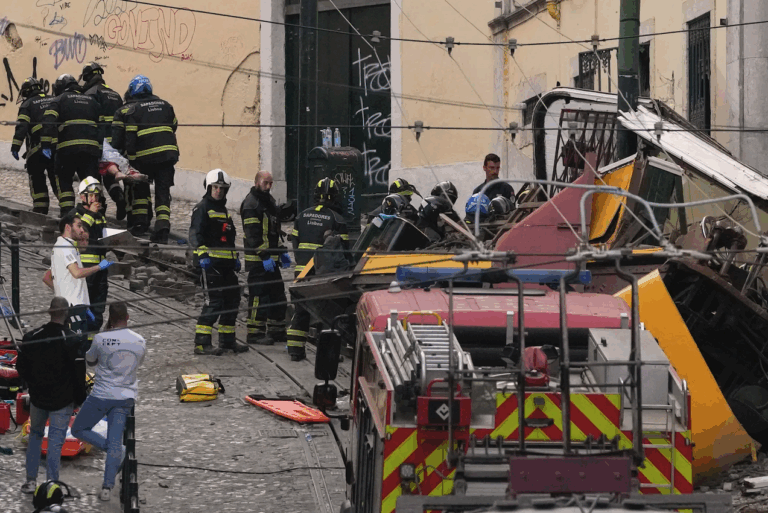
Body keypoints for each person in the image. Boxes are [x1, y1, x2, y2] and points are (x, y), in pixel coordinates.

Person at [71, 302, 145, 502]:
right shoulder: (139, 340)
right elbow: (138, 363)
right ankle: (107, 487)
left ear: (110, 318)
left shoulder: (101, 338)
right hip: (125, 397)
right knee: (115, 441)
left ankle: (114, 451)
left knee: (78, 429)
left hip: (101, 396)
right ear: (127, 317)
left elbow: (90, 360)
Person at [15, 297, 82, 494]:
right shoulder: (72, 339)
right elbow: (79, 374)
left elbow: (21, 367)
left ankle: (30, 481)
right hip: (62, 400)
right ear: (66, 313)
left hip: (38, 397)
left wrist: (32, 385)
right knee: (55, 440)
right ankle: (52, 482)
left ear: (49, 312)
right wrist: (79, 398)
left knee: (35, 436)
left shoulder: (32, 336)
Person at [286, 178, 350, 361]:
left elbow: (295, 243)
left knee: (300, 310)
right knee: (326, 313)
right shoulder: (337, 219)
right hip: (323, 275)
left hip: (301, 272)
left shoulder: (301, 216)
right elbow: (344, 250)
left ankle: (295, 350)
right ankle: (328, 354)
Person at [111, 75, 179, 243]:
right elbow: (174, 125)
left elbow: (126, 139)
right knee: (163, 192)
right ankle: (162, 225)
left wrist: (130, 162)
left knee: (141, 190)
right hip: (167, 157)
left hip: (144, 159)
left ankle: (140, 224)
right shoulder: (166, 105)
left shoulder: (131, 110)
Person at [189, 169, 249, 355]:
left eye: (222, 188)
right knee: (213, 302)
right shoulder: (202, 208)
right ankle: (202, 343)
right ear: (208, 187)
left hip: (226, 266)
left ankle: (227, 341)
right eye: (215, 187)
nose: (218, 191)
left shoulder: (223, 211)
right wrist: (202, 255)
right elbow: (195, 234)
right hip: (210, 265)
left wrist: (236, 259)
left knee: (232, 301)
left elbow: (228, 239)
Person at [42, 212, 113, 350]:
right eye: (79, 226)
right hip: (74, 307)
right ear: (68, 227)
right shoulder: (65, 247)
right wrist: (99, 266)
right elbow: (76, 273)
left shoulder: (64, 246)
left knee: (71, 346)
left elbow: (47, 277)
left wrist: (62, 291)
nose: (81, 230)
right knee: (77, 349)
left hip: (73, 305)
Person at [241, 171, 291, 346]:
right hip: (258, 260)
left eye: (271, 183)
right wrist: (264, 255)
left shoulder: (268, 202)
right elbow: (253, 235)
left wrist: (281, 251)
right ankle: (254, 333)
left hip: (270, 259)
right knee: (258, 296)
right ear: (257, 182)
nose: (269, 187)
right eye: (266, 183)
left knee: (277, 295)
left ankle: (276, 330)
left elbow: (273, 232)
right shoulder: (251, 204)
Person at [42, 74, 102, 219]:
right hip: (91, 151)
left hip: (67, 150)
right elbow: (102, 126)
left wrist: (45, 144)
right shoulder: (93, 101)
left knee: (64, 180)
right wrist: (99, 148)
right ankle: (93, 215)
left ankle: (67, 214)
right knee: (90, 183)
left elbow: (48, 121)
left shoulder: (59, 99)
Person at [81, 62, 126, 220]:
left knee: (93, 176)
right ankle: (119, 197)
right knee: (109, 175)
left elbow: (87, 118)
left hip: (97, 141)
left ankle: (100, 209)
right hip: (114, 143)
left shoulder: (91, 94)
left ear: (87, 77)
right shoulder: (115, 94)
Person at [10, 77, 59, 215]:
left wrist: (15, 147)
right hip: (57, 147)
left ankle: (40, 209)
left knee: (36, 177)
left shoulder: (27, 104)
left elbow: (22, 127)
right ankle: (67, 208)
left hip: (37, 148)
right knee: (58, 178)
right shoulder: (54, 99)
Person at [74, 177, 109, 334]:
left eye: (97, 195)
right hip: (85, 269)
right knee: (82, 308)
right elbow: (79, 232)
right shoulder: (75, 214)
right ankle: (80, 345)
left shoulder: (100, 216)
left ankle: (92, 344)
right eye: (92, 195)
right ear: (82, 196)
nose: (95, 199)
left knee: (98, 309)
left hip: (101, 269)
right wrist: (90, 213)